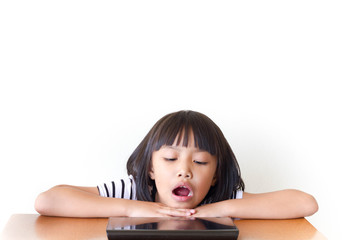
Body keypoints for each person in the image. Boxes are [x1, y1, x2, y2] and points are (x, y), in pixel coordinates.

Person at [35, 110, 318, 219]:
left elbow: (305, 203)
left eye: (200, 161)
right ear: (150, 169)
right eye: (170, 159)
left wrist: (216, 209)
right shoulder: (132, 190)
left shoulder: (220, 196)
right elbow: (48, 200)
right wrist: (134, 208)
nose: (185, 170)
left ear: (217, 175)